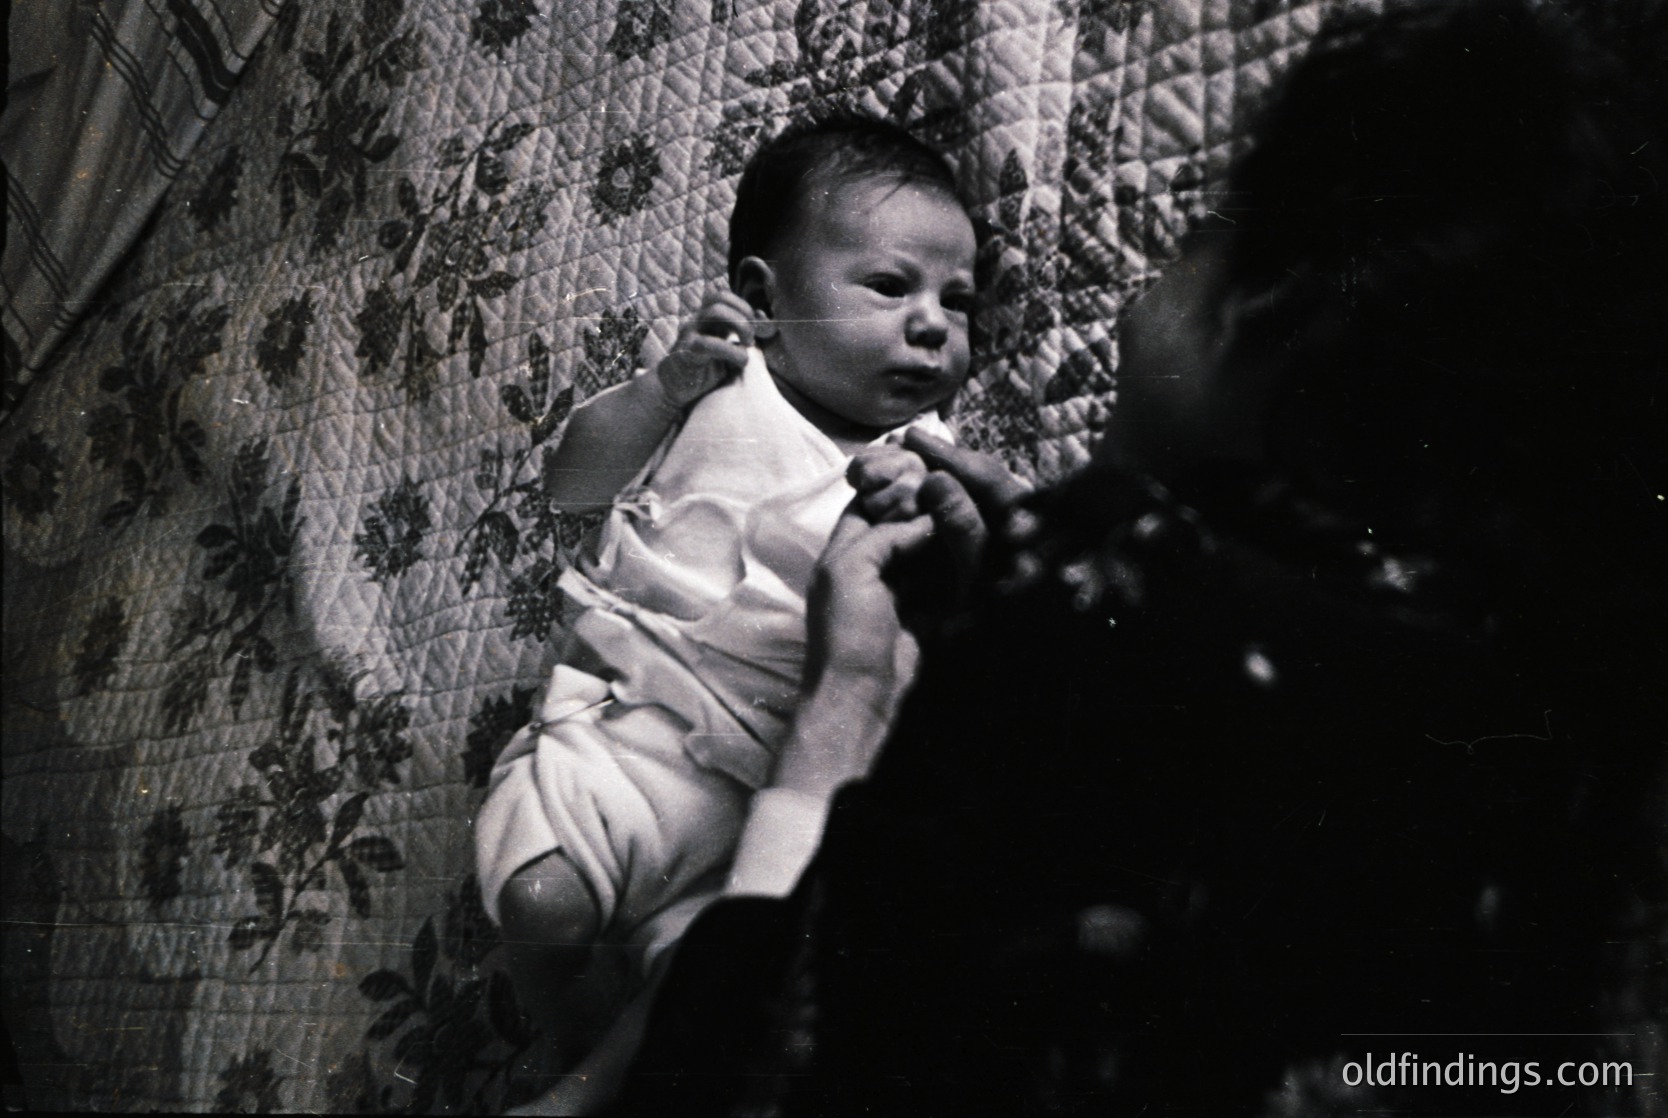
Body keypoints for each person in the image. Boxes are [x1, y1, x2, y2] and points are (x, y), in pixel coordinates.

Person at [616, 1, 1668, 1113]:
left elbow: (736, 1077)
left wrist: (841, 714)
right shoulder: (1565, 749)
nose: (1130, 307)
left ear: (1277, 309)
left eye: (1203, 236)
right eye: (891, 287)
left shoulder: (1107, 584)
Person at [472, 114, 980, 1063]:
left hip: (773, 781)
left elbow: (951, 609)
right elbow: (570, 487)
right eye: (890, 285)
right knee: (541, 901)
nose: (933, 326)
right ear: (764, 299)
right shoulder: (716, 384)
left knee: (701, 992)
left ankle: (609, 1077)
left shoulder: (925, 453)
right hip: (632, 734)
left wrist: (938, 512)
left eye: (959, 303)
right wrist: (660, 390)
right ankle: (567, 1033)